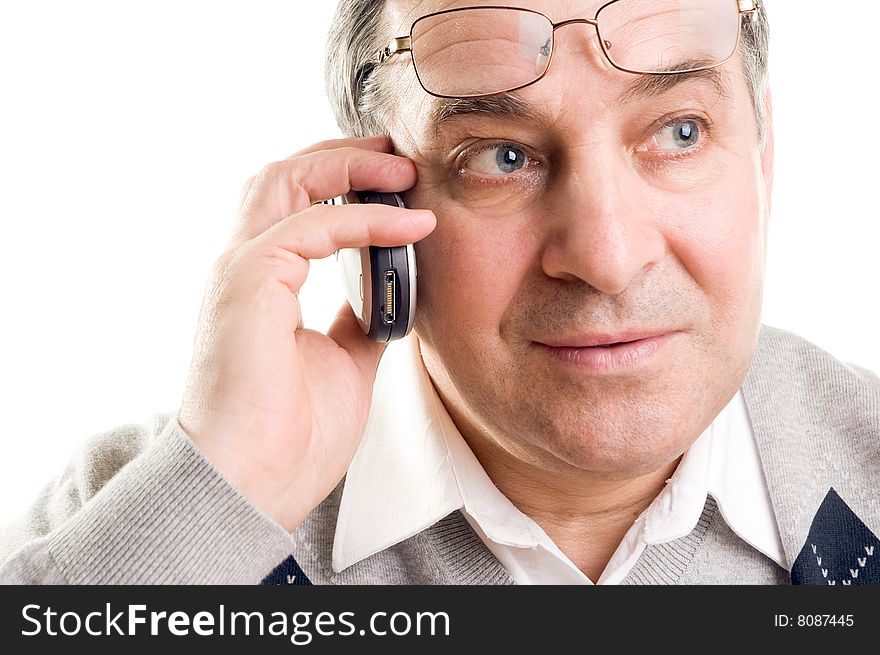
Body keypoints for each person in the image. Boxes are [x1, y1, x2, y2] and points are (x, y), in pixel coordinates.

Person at [2, 0, 878, 586]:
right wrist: (228, 493)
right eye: (501, 156)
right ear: (370, 203)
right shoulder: (139, 521)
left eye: (680, 132)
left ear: (763, 161)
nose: (608, 257)